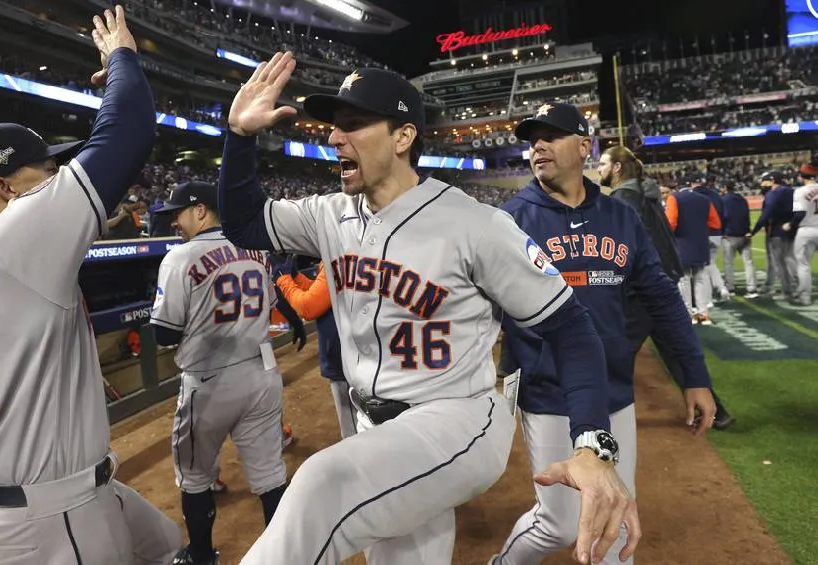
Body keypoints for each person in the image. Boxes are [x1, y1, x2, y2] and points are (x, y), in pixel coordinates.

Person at [219, 52, 639, 565]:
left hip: (456, 419)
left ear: (403, 137)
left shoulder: (474, 224)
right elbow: (243, 223)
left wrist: (592, 444)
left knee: (321, 485)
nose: (334, 138)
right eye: (334, 126)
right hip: (379, 426)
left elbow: (572, 328)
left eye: (353, 125)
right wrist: (239, 137)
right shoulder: (327, 214)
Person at [0, 7, 182, 563]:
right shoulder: (13, 242)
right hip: (53, 519)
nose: (56, 178)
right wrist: (122, 56)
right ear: (2, 187)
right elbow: (130, 130)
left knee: (165, 545)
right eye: (43, 171)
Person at [491, 110, 717, 565]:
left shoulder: (621, 216)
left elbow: (662, 298)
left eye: (551, 137)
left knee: (614, 518)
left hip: (614, 392)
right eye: (533, 140)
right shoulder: (509, 220)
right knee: (557, 524)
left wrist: (694, 375)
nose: (538, 147)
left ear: (584, 147)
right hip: (548, 392)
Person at [149, 181, 294, 565]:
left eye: (178, 213)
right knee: (269, 476)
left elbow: (165, 333)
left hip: (208, 381)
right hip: (262, 374)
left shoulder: (179, 258)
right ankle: (281, 554)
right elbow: (273, 303)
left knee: (195, 477)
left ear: (200, 210)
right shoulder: (258, 251)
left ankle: (200, 555)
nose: (174, 222)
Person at [599, 147, 735, 430]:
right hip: (663, 281)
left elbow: (626, 249)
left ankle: (598, 416)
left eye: (602, 163)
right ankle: (718, 412)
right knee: (675, 352)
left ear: (617, 169)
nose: (597, 168)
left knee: (612, 353)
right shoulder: (645, 195)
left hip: (644, 290)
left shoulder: (624, 198)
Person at [273, 255, 357, 439]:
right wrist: (295, 278)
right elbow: (319, 290)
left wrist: (283, 280)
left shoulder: (339, 255)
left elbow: (309, 307)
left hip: (344, 354)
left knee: (353, 429)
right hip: (352, 349)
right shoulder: (345, 251)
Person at [665, 179, 722, 324]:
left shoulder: (674, 198)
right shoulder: (704, 199)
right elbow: (715, 223)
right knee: (700, 278)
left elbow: (671, 222)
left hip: (681, 243)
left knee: (684, 279)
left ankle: (688, 313)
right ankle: (703, 313)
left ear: (678, 187)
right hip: (700, 244)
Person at [751, 171, 798, 299]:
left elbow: (766, 215)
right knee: (790, 259)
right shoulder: (791, 191)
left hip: (776, 231)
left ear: (772, 181)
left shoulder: (773, 194)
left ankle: (787, 291)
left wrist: (754, 231)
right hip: (791, 230)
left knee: (779, 263)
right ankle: (799, 285)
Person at [693, 175, 729, 302]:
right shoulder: (715, 195)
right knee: (711, 262)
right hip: (716, 233)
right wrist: (722, 231)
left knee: (704, 266)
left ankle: (711, 295)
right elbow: (725, 215)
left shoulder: (693, 196)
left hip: (702, 234)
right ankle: (720, 288)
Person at [719, 183, 759, 298]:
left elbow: (723, 217)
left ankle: (730, 288)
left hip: (729, 236)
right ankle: (752, 289)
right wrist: (748, 231)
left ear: (725, 188)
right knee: (749, 263)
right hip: (744, 235)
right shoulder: (742, 199)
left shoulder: (723, 200)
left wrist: (721, 232)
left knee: (728, 264)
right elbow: (746, 216)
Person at [789, 162, 818, 305]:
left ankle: (805, 298)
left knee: (803, 264)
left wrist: (790, 225)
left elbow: (799, 213)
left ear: (802, 177)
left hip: (806, 230)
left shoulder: (800, 191)